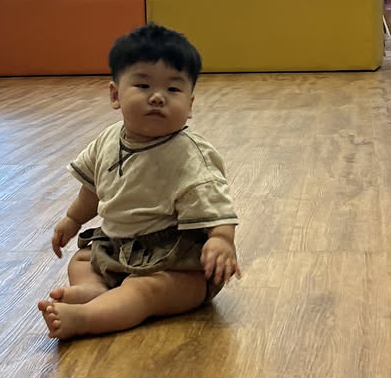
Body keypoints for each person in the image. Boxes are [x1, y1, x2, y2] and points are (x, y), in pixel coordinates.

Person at [38, 24, 241, 341]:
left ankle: (87, 317)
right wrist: (73, 219)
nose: (158, 97)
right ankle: (94, 291)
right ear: (115, 95)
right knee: (82, 259)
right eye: (143, 85)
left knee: (144, 288)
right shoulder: (107, 140)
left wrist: (221, 240)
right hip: (117, 247)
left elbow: (217, 205)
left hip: (175, 262)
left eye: (173, 90)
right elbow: (92, 189)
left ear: (189, 105)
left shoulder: (191, 155)